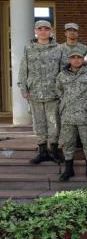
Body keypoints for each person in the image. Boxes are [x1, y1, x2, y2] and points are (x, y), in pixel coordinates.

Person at [17, 20, 63, 165]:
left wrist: (62, 90)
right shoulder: (29, 49)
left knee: (54, 122)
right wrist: (24, 88)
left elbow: (63, 72)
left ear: (51, 31)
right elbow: (23, 70)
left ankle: (54, 150)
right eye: (40, 29)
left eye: (46, 29)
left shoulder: (58, 49)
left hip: (53, 93)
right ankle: (42, 151)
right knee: (38, 123)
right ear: (35, 31)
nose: (43, 31)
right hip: (35, 92)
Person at [56, 49, 87, 182]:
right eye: (73, 57)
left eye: (79, 57)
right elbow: (59, 91)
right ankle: (68, 169)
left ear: (83, 59)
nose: (76, 60)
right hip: (68, 116)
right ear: (69, 59)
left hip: (86, 116)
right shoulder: (62, 75)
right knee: (68, 144)